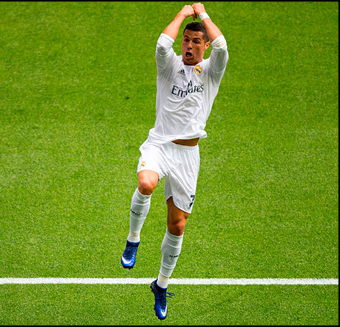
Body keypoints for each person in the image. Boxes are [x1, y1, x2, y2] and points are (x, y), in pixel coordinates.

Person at [120, 3, 229, 320]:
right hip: (159, 145)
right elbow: (160, 44)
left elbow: (222, 46)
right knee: (146, 183)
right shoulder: (168, 66)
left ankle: (161, 284)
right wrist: (183, 14)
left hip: (188, 156)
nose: (190, 46)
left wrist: (203, 14)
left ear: (204, 46)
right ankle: (133, 240)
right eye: (187, 40)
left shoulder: (211, 70)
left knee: (177, 225)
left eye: (197, 42)